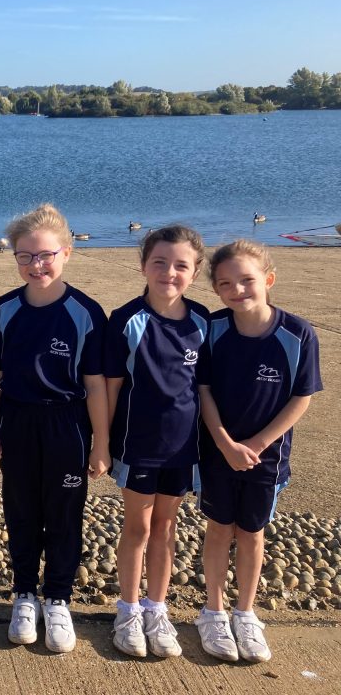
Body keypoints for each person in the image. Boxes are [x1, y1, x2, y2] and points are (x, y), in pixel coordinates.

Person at [0, 203, 108, 654]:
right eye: (25, 256)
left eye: (45, 255)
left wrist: (101, 444)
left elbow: (95, 385)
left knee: (64, 514)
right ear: (14, 257)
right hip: (17, 420)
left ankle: (58, 598)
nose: (36, 265)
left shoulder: (86, 313)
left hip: (67, 424)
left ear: (67, 252)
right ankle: (24, 594)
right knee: (21, 510)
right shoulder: (3, 310)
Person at [195, 239, 321, 663]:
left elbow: (301, 397)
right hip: (217, 452)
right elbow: (203, 390)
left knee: (251, 534)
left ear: (267, 280)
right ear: (216, 289)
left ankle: (245, 613)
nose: (238, 290)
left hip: (267, 458)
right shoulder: (211, 329)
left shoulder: (297, 333)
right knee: (218, 528)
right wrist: (225, 442)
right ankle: (212, 611)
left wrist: (257, 443)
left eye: (247, 280)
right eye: (226, 283)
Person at [101, 226, 209, 658]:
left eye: (181, 265)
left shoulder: (203, 322)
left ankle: (156, 608)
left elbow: (204, 390)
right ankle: (127, 609)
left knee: (167, 527)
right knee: (138, 527)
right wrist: (103, 444)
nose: (169, 272)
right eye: (160, 262)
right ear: (143, 264)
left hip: (184, 449)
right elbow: (110, 387)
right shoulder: (126, 319)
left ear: (195, 272)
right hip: (137, 445)